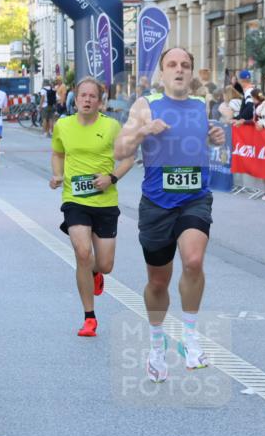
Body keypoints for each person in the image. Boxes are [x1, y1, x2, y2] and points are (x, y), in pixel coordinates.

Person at [114, 47, 227, 382]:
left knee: (193, 261)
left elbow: (199, 138)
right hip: (157, 204)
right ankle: (157, 343)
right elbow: (120, 149)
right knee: (158, 281)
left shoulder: (199, 105)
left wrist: (213, 135)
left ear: (191, 72)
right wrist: (143, 131)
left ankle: (191, 339)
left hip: (194, 198)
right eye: (172, 65)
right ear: (162, 72)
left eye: (185, 65)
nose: (179, 70)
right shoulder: (145, 106)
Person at [49, 77, 132, 337]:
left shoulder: (111, 127)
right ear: (75, 98)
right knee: (82, 253)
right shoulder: (63, 125)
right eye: (82, 95)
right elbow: (58, 153)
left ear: (100, 101)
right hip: (75, 199)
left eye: (92, 96)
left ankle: (97, 272)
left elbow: (129, 159)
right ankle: (89, 318)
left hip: (105, 201)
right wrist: (57, 174)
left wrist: (112, 178)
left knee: (105, 264)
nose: (86, 100)